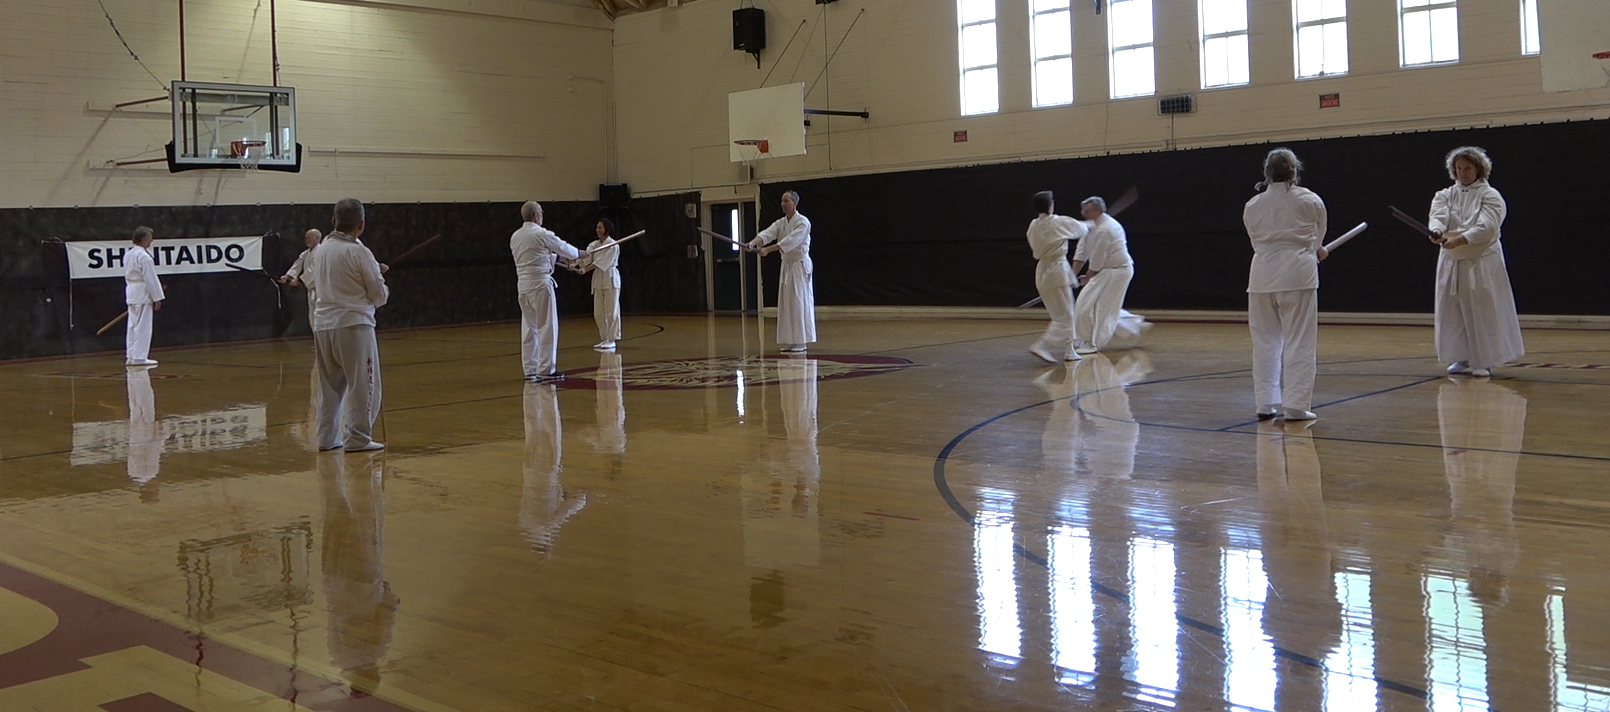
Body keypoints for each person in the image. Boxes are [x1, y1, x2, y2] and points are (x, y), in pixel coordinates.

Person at [1244, 148, 1328, 422]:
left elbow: (1255, 241)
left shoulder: (1253, 205)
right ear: (1295, 170)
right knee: (1299, 341)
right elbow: (1318, 237)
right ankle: (1295, 405)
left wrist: (1312, 247)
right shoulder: (1311, 200)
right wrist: (1317, 249)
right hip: (1298, 274)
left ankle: (1265, 403)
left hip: (1262, 275)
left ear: (1267, 172)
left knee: (1264, 342)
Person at [1428, 146, 1524, 378]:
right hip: (1452, 260)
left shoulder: (1490, 196)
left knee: (1482, 309)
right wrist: (1437, 230)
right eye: (1458, 168)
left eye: (1467, 168)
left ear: (1479, 169)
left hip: (1480, 262)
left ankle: (1485, 360)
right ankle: (1460, 357)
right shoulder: (1445, 194)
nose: (1463, 173)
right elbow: (1437, 215)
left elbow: (1487, 227)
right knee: (1453, 310)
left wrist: (1461, 239)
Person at [305, 198, 389, 452]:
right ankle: (358, 437)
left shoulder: (320, 250)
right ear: (361, 224)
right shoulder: (359, 252)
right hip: (354, 325)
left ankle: (326, 438)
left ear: (333, 221)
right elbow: (379, 296)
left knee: (329, 386)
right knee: (364, 383)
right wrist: (379, 277)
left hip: (323, 325)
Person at [511, 201, 585, 381]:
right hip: (540, 285)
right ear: (536, 216)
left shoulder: (516, 236)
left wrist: (559, 259)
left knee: (529, 327)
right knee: (547, 326)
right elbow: (562, 246)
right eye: (541, 213)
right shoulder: (541, 233)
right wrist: (578, 254)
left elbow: (536, 255)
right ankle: (546, 370)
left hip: (523, 286)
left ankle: (530, 369)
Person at [748, 190, 816, 353]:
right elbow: (768, 233)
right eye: (782, 201)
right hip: (786, 265)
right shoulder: (781, 222)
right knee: (787, 302)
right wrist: (753, 243)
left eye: (786, 201)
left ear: (795, 203)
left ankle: (801, 341)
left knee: (799, 301)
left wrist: (767, 250)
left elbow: (790, 241)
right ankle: (790, 339)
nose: (783, 204)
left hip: (799, 266)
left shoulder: (803, 223)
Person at [1025, 191, 1088, 363]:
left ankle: (1069, 350)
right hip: (1056, 270)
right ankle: (1043, 345)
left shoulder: (1033, 225)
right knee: (1066, 315)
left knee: (1062, 314)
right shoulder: (1057, 222)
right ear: (1050, 205)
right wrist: (1093, 223)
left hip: (1043, 272)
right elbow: (1080, 229)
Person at [1069, 197, 1135, 355]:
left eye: (1086, 211)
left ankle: (1093, 344)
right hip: (1104, 271)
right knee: (1084, 305)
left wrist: (1087, 277)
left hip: (1118, 271)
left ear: (1097, 211)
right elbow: (1081, 252)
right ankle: (1135, 325)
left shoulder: (1106, 229)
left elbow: (1097, 260)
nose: (1082, 213)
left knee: (1102, 309)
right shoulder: (1091, 227)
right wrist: (1072, 276)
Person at [577, 218, 622, 352]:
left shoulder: (613, 245)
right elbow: (587, 257)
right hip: (598, 279)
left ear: (607, 229)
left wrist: (585, 270)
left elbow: (601, 262)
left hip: (610, 277)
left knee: (611, 310)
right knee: (598, 312)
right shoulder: (594, 245)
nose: (598, 230)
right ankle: (604, 337)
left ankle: (612, 339)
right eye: (597, 228)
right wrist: (575, 263)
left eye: (600, 228)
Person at [124, 226, 165, 367]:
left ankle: (131, 355)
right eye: (149, 238)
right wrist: (157, 297)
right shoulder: (144, 257)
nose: (151, 240)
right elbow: (150, 278)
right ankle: (139, 357)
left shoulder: (129, 254)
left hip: (131, 291)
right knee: (143, 326)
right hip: (142, 292)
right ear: (142, 239)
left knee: (132, 326)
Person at [279, 229, 323, 328]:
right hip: (311, 290)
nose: (306, 240)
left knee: (321, 316)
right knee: (312, 317)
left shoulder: (321, 252)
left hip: (321, 290)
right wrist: (287, 277)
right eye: (306, 238)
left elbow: (313, 270)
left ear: (317, 238)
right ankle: (317, 340)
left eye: (309, 237)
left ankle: (324, 341)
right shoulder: (306, 253)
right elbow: (297, 265)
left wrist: (299, 280)